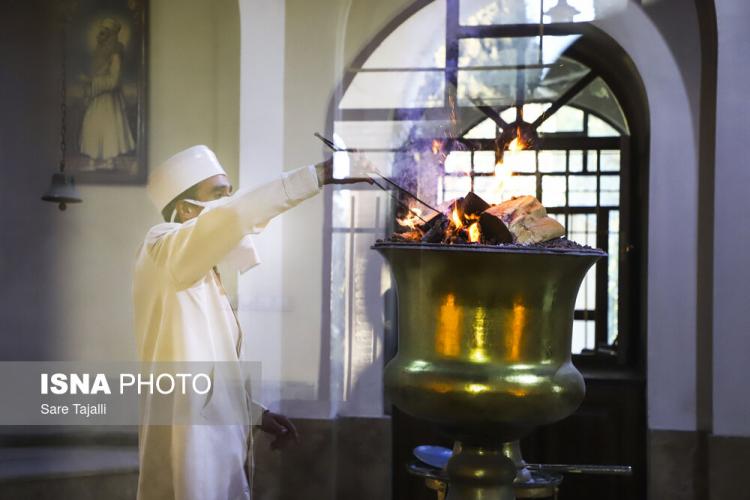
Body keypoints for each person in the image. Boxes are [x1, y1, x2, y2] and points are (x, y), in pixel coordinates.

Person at [133, 145, 368, 500]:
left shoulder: (199, 271)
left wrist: (254, 414)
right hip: (191, 448)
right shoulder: (162, 246)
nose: (228, 202)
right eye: (218, 195)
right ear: (184, 210)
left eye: (229, 194)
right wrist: (316, 175)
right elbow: (233, 216)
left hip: (220, 445)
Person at [78, 18, 135, 169]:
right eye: (100, 33)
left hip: (109, 99)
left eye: (104, 33)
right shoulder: (98, 55)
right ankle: (93, 161)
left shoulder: (115, 55)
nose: (100, 36)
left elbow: (114, 81)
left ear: (110, 36)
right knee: (92, 125)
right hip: (97, 97)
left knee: (108, 127)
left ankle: (110, 161)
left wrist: (92, 82)